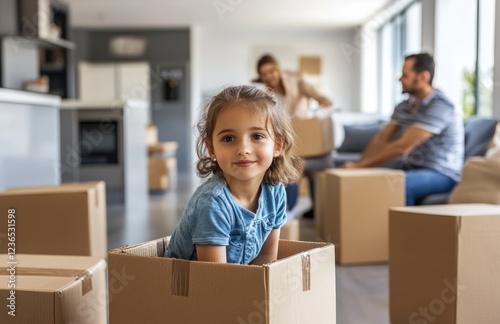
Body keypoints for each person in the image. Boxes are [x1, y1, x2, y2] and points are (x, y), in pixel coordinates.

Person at [165, 85, 303, 265]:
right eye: (228, 138)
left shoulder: (275, 193)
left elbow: (265, 261)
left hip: (234, 286)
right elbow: (215, 281)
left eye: (257, 136)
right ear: (212, 148)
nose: (243, 149)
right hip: (194, 290)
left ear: (277, 145)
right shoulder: (212, 204)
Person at [343, 53, 464, 205]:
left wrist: (361, 166)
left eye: (405, 75)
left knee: (399, 186)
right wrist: (358, 165)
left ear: (423, 77)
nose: (400, 79)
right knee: (371, 179)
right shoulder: (404, 106)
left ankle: (403, 229)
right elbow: (382, 138)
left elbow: (403, 146)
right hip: (410, 166)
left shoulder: (440, 106)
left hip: (441, 172)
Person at [256, 54, 334, 218]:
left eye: (271, 71)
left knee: (295, 167)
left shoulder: (298, 82)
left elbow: (325, 101)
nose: (268, 77)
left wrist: (316, 116)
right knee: (282, 168)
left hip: (303, 136)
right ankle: (285, 211)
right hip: (284, 139)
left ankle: (290, 212)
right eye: (264, 74)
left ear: (277, 69)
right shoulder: (265, 94)